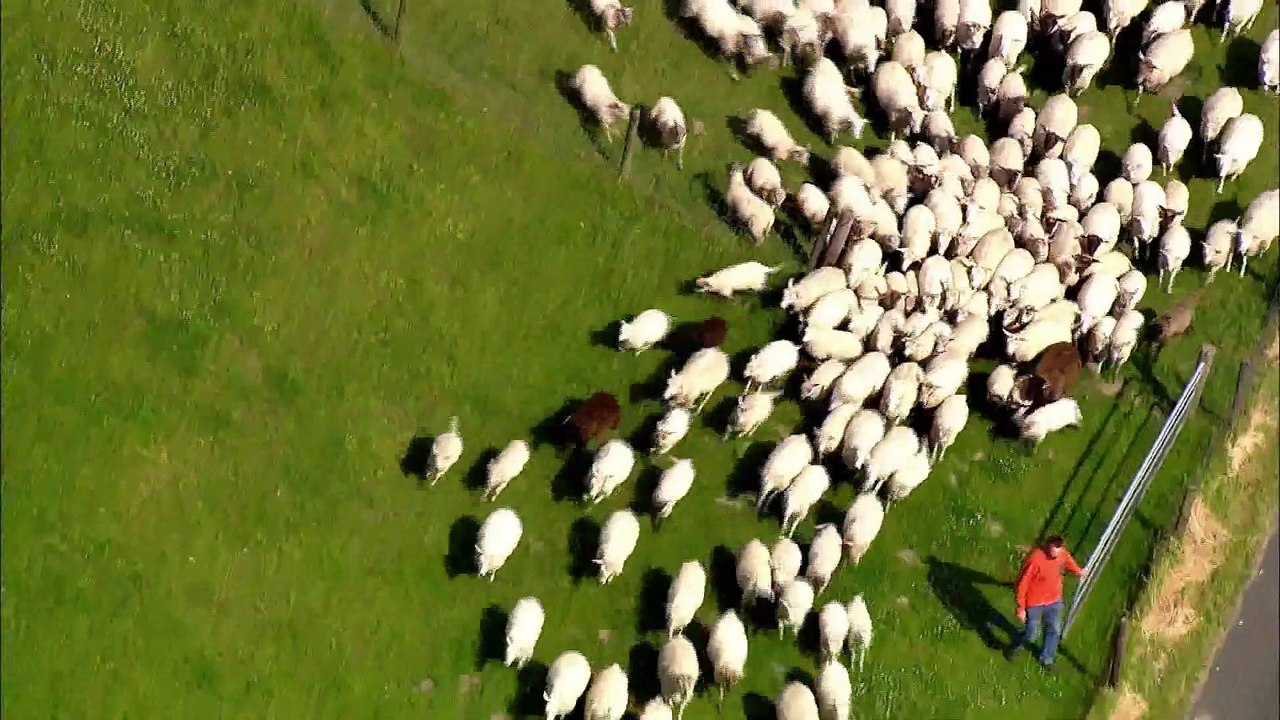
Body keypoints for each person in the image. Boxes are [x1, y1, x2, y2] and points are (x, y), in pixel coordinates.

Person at [1004, 534, 1085, 671]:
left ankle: (1047, 659)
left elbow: (1069, 562)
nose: (1057, 549)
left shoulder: (1062, 555)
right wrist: (1021, 608)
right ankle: (1014, 646)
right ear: (1048, 544)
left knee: (1054, 630)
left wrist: (1079, 571)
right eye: (1054, 546)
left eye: (1059, 546)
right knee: (1032, 634)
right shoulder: (1035, 560)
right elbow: (1022, 584)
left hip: (1054, 601)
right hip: (1034, 603)